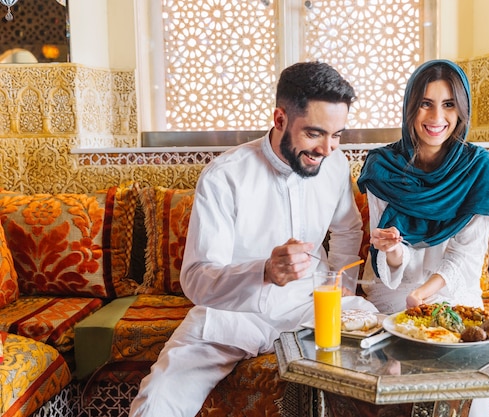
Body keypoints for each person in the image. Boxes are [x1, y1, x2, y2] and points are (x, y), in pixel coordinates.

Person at [129, 61, 377, 417]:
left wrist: (341, 286)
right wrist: (264, 271)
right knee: (158, 400)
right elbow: (196, 279)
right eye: (315, 134)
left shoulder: (334, 165)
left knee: (385, 350)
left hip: (313, 307)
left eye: (337, 135)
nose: (327, 148)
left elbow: (347, 228)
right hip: (233, 313)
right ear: (279, 120)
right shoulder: (224, 177)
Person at [357, 59, 489, 416]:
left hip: (452, 292)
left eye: (448, 104)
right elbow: (390, 254)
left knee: (466, 391)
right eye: (426, 103)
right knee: (396, 387)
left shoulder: (478, 167)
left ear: (461, 110)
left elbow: (465, 258)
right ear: (410, 107)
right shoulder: (383, 167)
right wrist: (392, 251)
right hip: (394, 292)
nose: (437, 116)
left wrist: (422, 296)